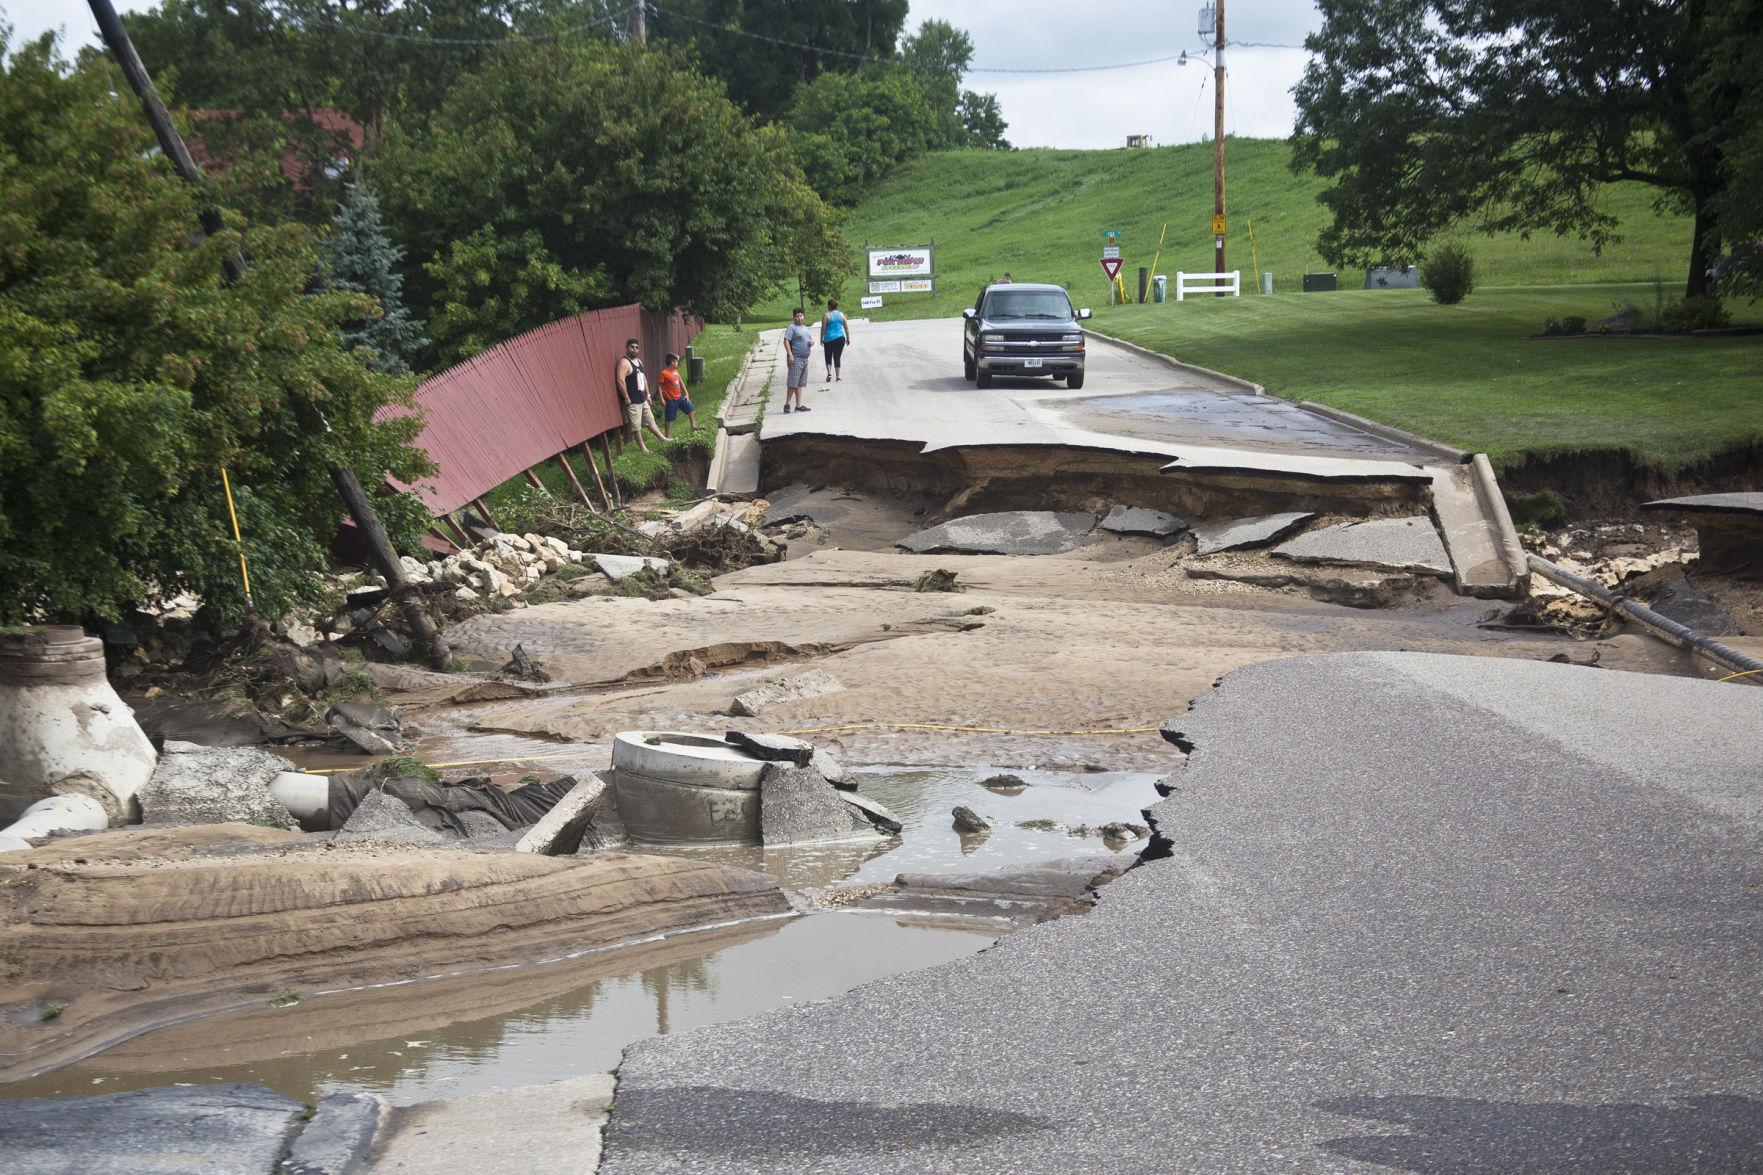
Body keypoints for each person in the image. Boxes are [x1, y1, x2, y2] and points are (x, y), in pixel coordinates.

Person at [616, 337, 668, 451]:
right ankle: (643, 448)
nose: (634, 350)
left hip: (642, 398)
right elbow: (620, 380)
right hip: (632, 400)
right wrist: (626, 397)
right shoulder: (624, 362)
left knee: (650, 420)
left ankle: (662, 438)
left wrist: (648, 395)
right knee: (636, 426)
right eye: (632, 347)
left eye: (636, 348)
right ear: (627, 348)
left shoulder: (638, 361)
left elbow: (643, 378)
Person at [781, 307, 814, 414]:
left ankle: (798, 406)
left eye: (801, 315)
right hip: (796, 358)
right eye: (797, 316)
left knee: (799, 384)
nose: (799, 318)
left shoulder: (805, 328)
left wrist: (811, 342)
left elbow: (809, 339)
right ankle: (787, 404)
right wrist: (790, 355)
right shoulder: (792, 328)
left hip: (805, 359)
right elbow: (786, 341)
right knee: (793, 383)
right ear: (794, 317)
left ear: (803, 316)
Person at [658, 352, 698, 437]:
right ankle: (667, 435)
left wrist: (686, 394)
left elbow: (681, 382)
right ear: (672, 362)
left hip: (680, 397)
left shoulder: (676, 371)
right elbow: (660, 386)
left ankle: (693, 426)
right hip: (670, 399)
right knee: (668, 418)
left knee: (691, 408)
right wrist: (661, 399)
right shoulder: (664, 373)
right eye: (676, 361)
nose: (677, 363)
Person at [820, 299, 850, 383]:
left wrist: (821, 338)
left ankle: (829, 373)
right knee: (837, 356)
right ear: (837, 306)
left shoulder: (826, 315)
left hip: (829, 338)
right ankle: (838, 377)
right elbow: (846, 327)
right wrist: (848, 338)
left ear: (829, 306)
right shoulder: (842, 315)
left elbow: (823, 328)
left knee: (828, 356)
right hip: (840, 338)